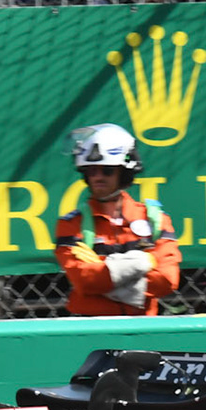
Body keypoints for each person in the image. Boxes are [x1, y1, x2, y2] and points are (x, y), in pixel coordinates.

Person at [53, 123, 180, 317]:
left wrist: (105, 270)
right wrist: (144, 261)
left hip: (143, 326)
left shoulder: (155, 218)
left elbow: (167, 279)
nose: (98, 177)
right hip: (91, 325)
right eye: (91, 171)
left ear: (124, 171)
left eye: (107, 170)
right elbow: (85, 281)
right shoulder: (71, 224)